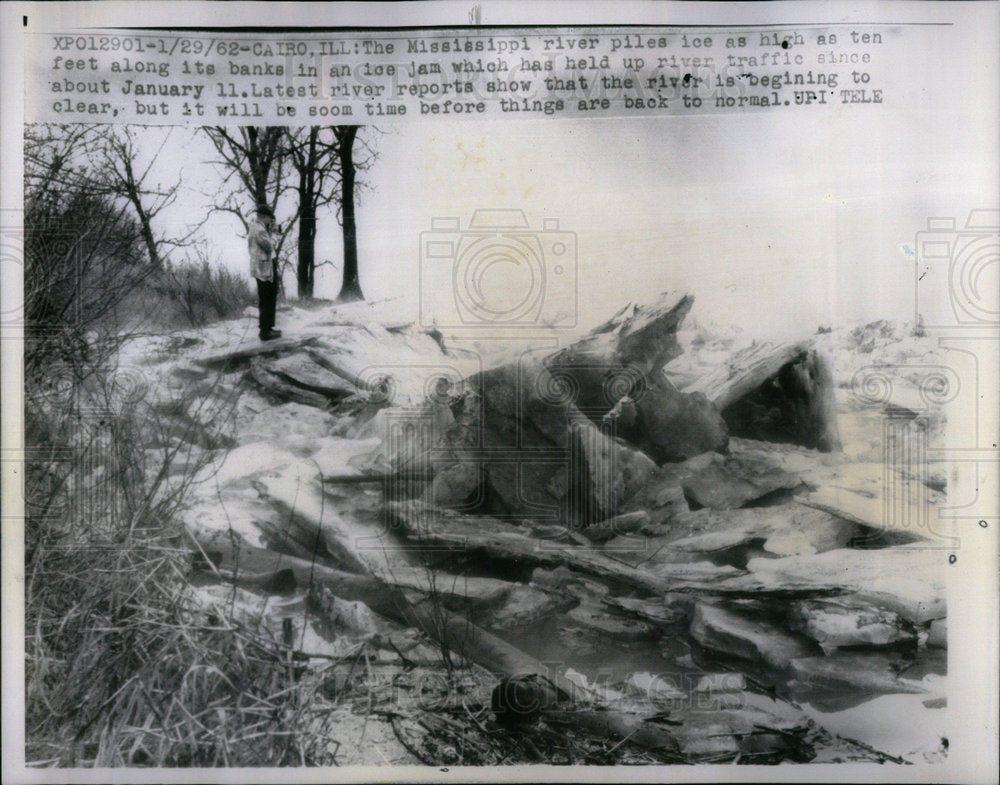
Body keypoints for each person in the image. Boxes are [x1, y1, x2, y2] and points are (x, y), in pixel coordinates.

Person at [248, 204, 281, 341]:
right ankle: (266, 331)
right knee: (268, 297)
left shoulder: (254, 227)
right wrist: (274, 235)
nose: (270, 222)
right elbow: (269, 247)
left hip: (260, 266)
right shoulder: (260, 230)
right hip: (264, 267)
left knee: (266, 297)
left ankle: (267, 328)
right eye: (270, 219)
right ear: (264, 217)